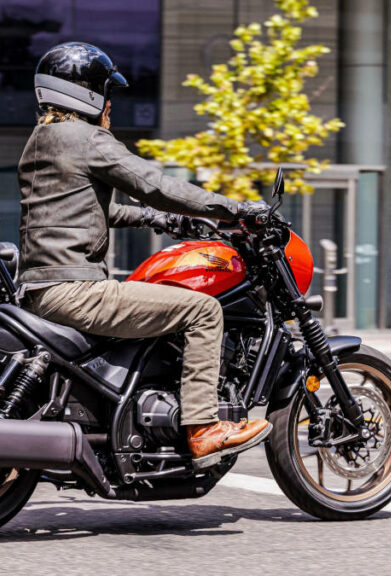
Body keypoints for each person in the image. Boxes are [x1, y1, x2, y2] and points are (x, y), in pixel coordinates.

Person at [18, 43, 271, 468]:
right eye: (106, 94)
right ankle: (203, 428)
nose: (110, 106)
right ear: (88, 94)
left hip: (37, 290)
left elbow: (86, 211)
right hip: (77, 290)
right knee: (204, 311)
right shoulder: (88, 139)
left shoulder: (40, 141)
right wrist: (237, 209)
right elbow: (156, 184)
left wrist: (156, 219)